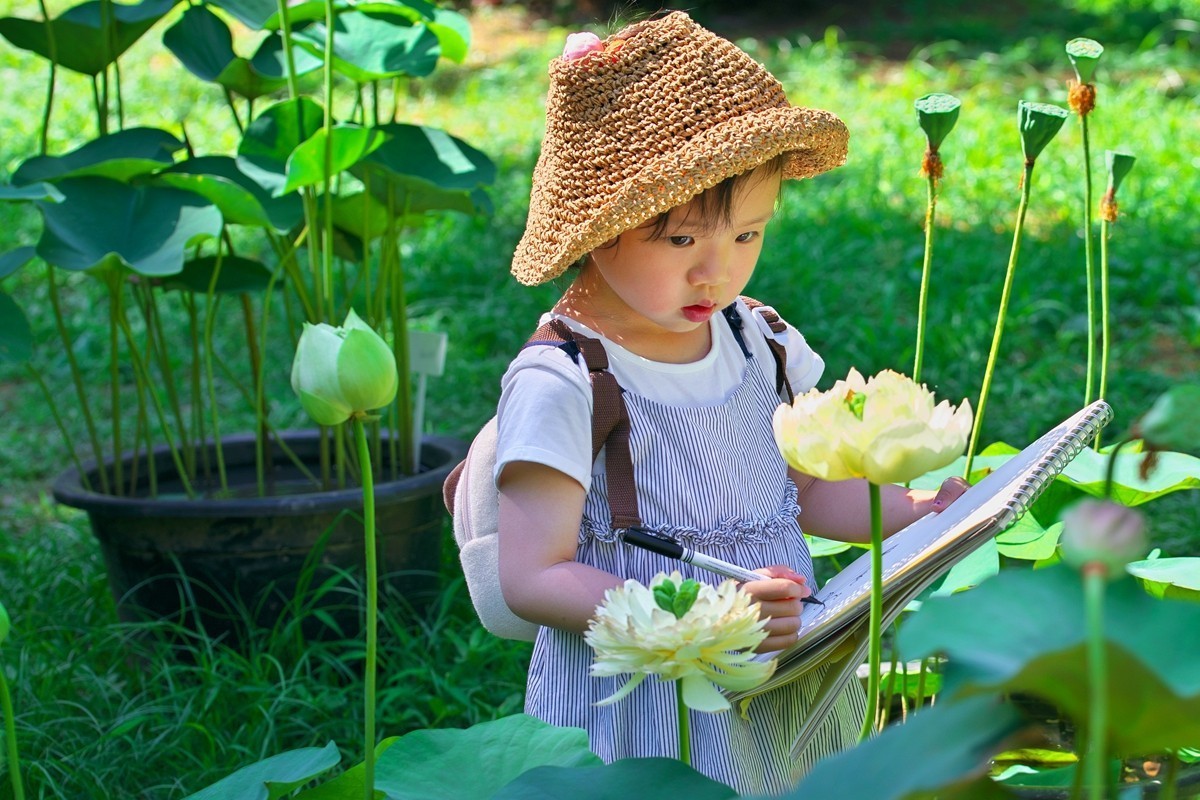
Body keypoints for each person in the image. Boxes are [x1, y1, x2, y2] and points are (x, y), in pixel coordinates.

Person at [493, 11, 967, 795]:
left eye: (748, 236)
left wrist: (916, 513)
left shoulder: (761, 343)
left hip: (783, 671)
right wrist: (698, 618)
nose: (717, 273)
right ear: (598, 229)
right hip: (648, 695)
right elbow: (533, 575)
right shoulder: (567, 379)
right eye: (682, 242)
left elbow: (807, 490)